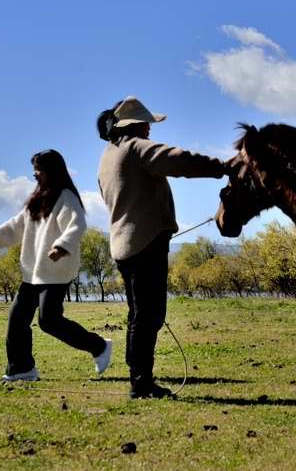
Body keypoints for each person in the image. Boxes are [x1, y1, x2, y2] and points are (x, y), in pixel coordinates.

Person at [97, 96, 232, 399]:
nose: (150, 130)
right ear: (138, 125)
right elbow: (177, 159)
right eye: (147, 124)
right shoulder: (136, 147)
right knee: (149, 316)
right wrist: (221, 167)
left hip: (123, 244)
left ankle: (139, 377)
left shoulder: (109, 154)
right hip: (145, 243)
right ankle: (141, 382)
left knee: (139, 315)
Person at [0, 149, 111, 382]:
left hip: (56, 271)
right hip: (33, 273)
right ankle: (21, 369)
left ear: (52, 171)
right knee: (17, 320)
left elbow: (77, 225)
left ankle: (99, 347)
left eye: (39, 169)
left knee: (49, 321)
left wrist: (62, 246)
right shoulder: (36, 199)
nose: (35, 174)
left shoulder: (66, 197)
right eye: (34, 169)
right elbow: (13, 228)